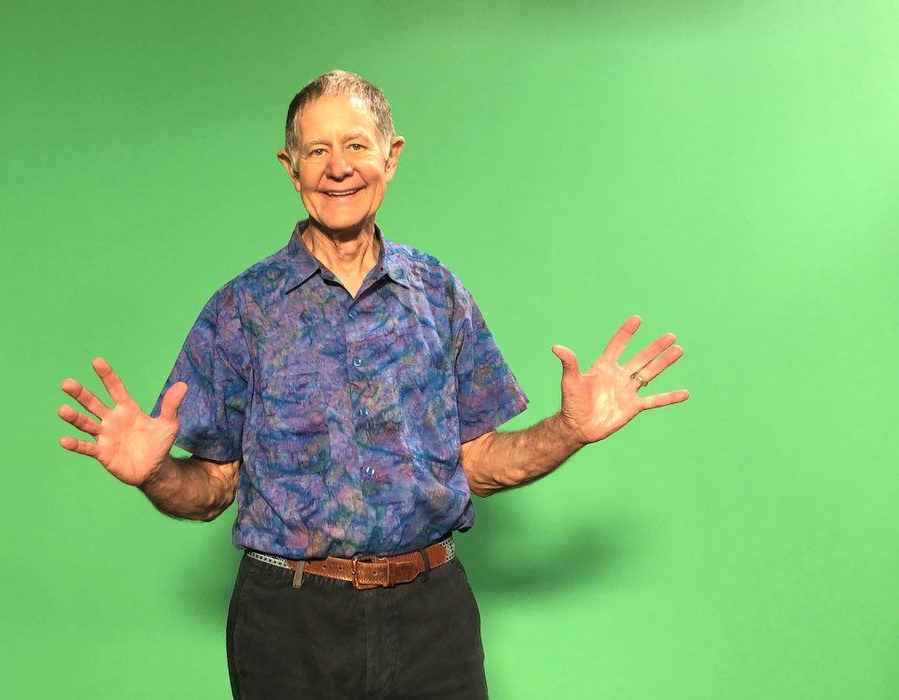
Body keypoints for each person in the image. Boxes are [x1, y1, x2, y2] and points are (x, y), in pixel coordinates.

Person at [58, 70, 688, 700]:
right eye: (317, 151)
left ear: (392, 156)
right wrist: (155, 473)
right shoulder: (242, 310)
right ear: (291, 168)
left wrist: (569, 430)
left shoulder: (439, 295)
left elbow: (480, 463)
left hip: (431, 617)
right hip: (288, 624)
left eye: (357, 145)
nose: (339, 168)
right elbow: (212, 487)